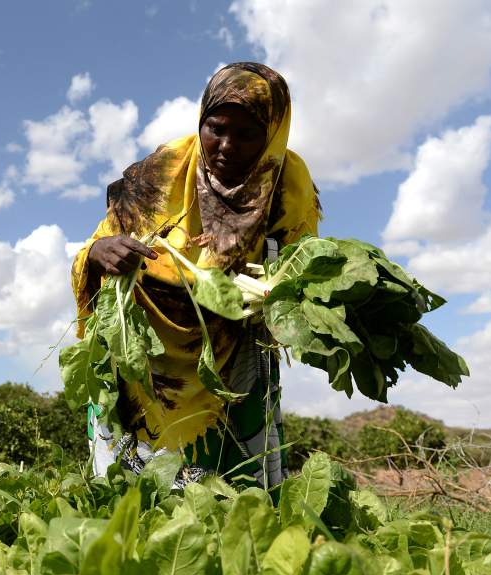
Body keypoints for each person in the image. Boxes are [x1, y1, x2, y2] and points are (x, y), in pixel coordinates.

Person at [70, 62, 321, 490]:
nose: (226, 146)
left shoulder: (287, 184)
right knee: (132, 494)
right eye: (216, 128)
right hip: (141, 348)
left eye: (247, 136)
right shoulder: (162, 171)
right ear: (201, 120)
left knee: (234, 493)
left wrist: (280, 295)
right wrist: (99, 253)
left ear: (272, 136)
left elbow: (301, 273)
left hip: (233, 352)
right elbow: (93, 249)